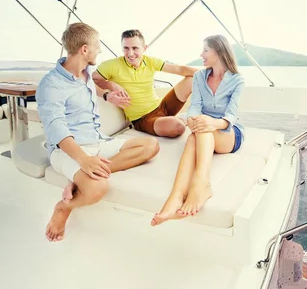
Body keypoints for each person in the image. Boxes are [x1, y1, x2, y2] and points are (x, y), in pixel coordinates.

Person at [36, 22, 160, 242]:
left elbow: (98, 86)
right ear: (85, 49)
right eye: (97, 45)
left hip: (97, 142)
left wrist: (108, 92)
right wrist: (83, 160)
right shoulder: (51, 84)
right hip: (68, 150)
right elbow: (56, 129)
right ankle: (64, 207)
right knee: (97, 189)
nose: (100, 50)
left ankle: (78, 179)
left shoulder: (86, 73)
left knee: (151, 146)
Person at [151, 34, 245, 226]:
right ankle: (176, 196)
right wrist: (193, 120)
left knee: (201, 130)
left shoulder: (237, 80)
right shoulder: (200, 77)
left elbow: (231, 115)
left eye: (205, 50)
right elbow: (194, 106)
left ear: (218, 52)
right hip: (204, 129)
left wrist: (212, 123)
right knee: (194, 136)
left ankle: (200, 185)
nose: (201, 54)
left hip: (228, 132)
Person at [92, 29, 197, 138]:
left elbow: (180, 69)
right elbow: (90, 81)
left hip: (162, 106)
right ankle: (182, 119)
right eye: (126, 48)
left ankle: (201, 113)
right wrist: (109, 85)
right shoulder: (111, 65)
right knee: (178, 127)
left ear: (144, 48)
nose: (130, 53)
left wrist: (213, 74)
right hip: (143, 119)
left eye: (135, 48)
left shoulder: (150, 61)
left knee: (191, 80)